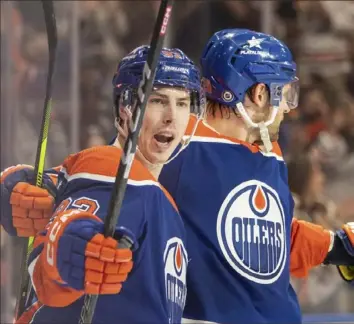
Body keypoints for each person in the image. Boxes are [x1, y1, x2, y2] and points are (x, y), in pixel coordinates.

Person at [159, 29, 354, 324]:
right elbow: (101, 185)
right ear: (259, 93)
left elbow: (270, 238)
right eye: (284, 94)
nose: (288, 109)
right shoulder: (174, 142)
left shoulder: (268, 151)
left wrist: (335, 246)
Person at [0, 45, 203, 324]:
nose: (172, 116)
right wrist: (72, 251)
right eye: (157, 100)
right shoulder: (108, 166)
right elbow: (52, 261)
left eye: (182, 103)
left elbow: (54, 186)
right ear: (125, 108)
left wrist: (21, 184)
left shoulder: (161, 193)